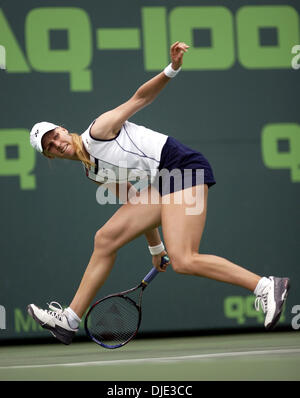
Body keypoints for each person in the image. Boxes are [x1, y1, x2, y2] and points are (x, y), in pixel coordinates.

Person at [27, 42, 290, 345]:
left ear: (62, 129)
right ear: (51, 156)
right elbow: (134, 203)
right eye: (49, 146)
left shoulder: (99, 130)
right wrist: (156, 249)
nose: (57, 143)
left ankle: (266, 286)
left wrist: (172, 68)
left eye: (55, 135)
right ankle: (69, 320)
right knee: (105, 239)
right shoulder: (93, 172)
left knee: (185, 260)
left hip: (181, 167)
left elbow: (140, 98)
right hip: (162, 182)